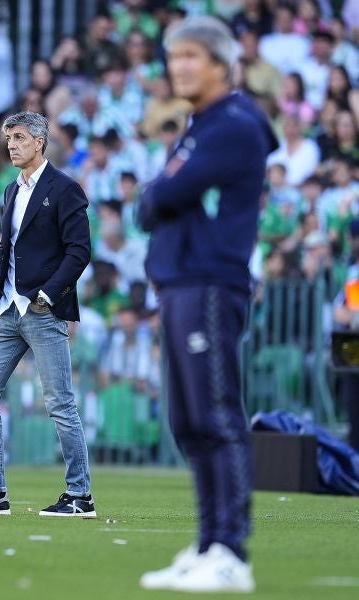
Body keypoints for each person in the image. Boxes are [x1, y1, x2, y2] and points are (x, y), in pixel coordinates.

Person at [136, 17, 278, 593]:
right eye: (174, 57)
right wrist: (163, 190)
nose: (180, 66)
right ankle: (207, 543)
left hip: (209, 281)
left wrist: (164, 188)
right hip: (179, 283)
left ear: (221, 63)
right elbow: (155, 200)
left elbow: (161, 195)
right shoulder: (202, 125)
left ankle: (232, 552)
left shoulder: (235, 124)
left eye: (192, 55)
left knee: (216, 417)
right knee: (189, 421)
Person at [0, 111, 95, 518]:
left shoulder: (65, 189)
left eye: (21, 137)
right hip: (8, 309)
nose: (12, 144)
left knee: (60, 402)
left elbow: (80, 250)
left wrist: (48, 295)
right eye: (9, 137)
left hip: (42, 310)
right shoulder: (12, 190)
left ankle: (80, 495)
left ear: (40, 142)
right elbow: (6, 247)